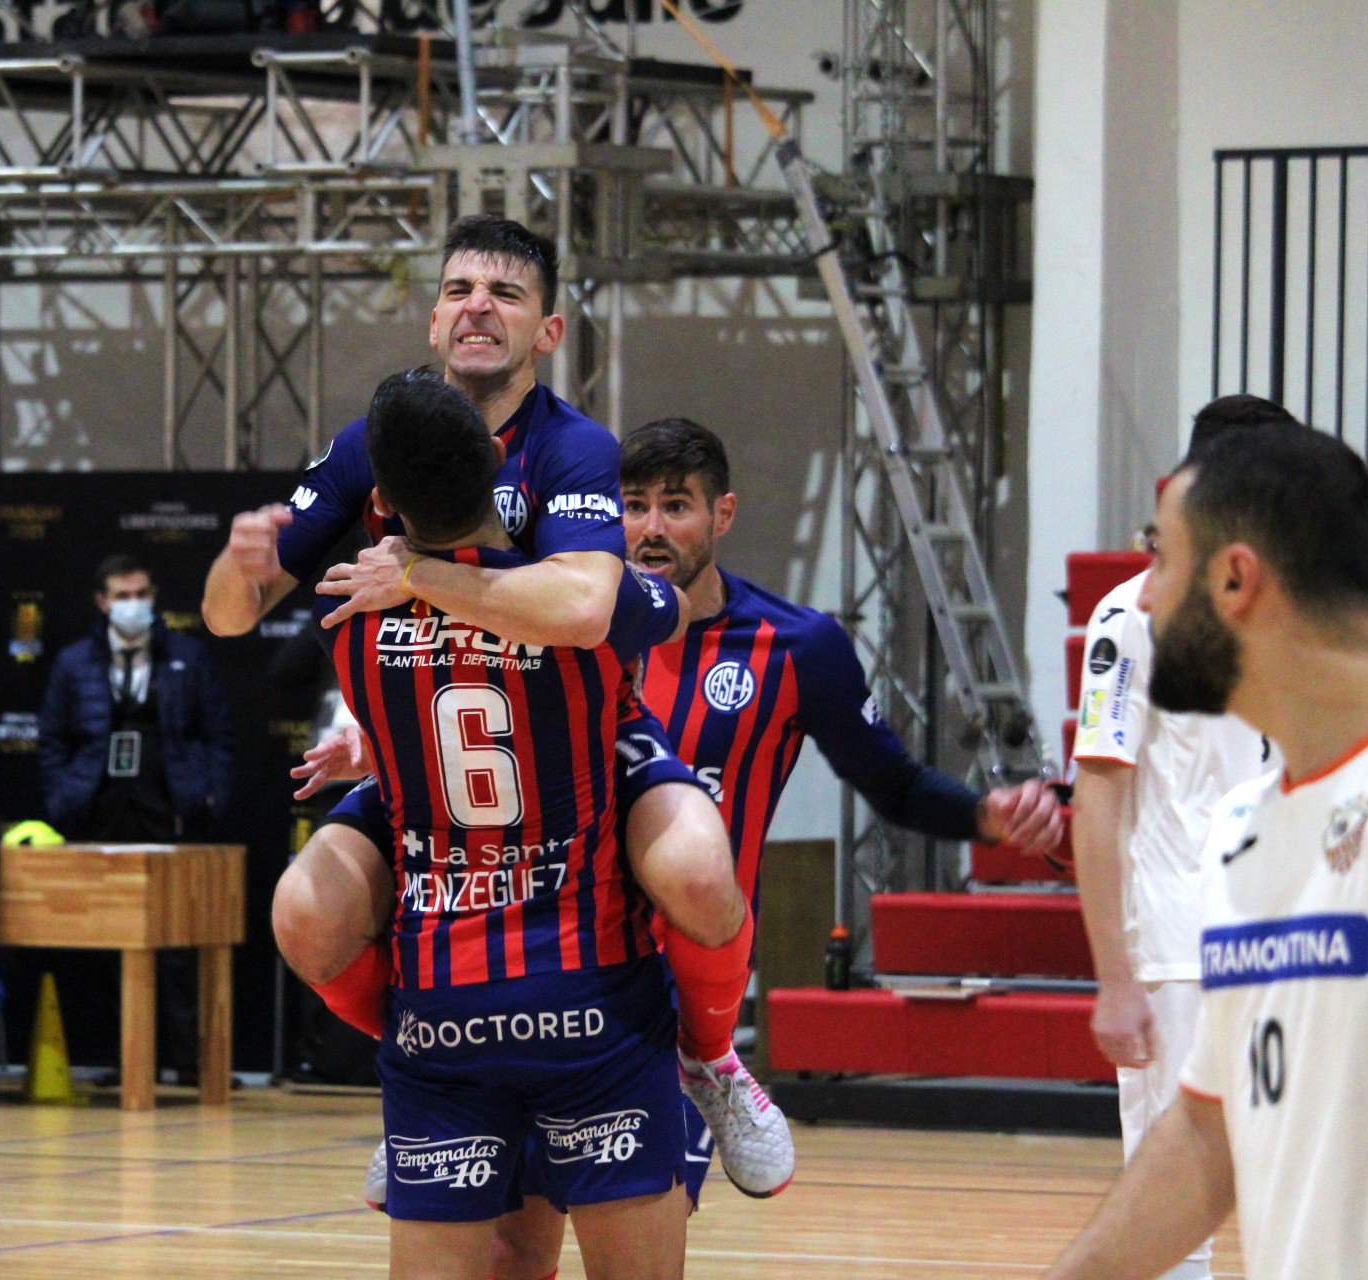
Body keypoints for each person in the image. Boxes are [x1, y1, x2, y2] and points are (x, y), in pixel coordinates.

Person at [209, 216, 788, 1193]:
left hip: (584, 738)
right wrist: (242, 561)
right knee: (304, 911)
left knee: (697, 865)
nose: (478, 304)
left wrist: (423, 575)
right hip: (445, 762)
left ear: (548, 330)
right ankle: (430, 1077)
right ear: (434, 319)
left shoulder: (573, 446)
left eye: (505, 292)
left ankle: (710, 1057)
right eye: (459, 288)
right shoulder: (375, 442)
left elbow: (581, 604)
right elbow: (229, 617)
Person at [470, 416, 1065, 1279]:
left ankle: (713, 1064)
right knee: (510, 1256)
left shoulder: (798, 646)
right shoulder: (565, 622)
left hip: (670, 1002)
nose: (650, 529)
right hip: (549, 968)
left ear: (723, 515)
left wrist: (987, 818)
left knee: (638, 1254)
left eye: (675, 506)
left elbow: (891, 783)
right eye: (632, 505)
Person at [309, 369, 694, 1280]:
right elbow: (663, 608)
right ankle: (720, 1057)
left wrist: (411, 577)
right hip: (589, 999)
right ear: (495, 461)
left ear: (385, 500)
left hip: (437, 1013)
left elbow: (411, 743)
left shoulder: (350, 625)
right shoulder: (582, 616)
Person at [1043, 422, 1368, 1278]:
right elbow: (1208, 1138)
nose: (1141, 600)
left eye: (1163, 561)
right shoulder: (1246, 834)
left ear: (1236, 579)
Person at [1067, 395, 1292, 1280]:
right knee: (1172, 1210)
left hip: (1286, 932)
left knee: (1289, 1180)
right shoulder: (1133, 618)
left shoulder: (1282, 606)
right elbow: (1099, 793)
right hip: (1180, 947)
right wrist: (1116, 977)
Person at [37, 553, 234, 842]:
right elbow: (52, 739)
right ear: (103, 602)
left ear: (153, 596)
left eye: (141, 594)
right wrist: (63, 796)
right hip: (95, 804)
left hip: (169, 803)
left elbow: (218, 735)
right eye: (122, 596)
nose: (133, 604)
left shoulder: (189, 657)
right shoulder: (73, 662)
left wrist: (211, 796)